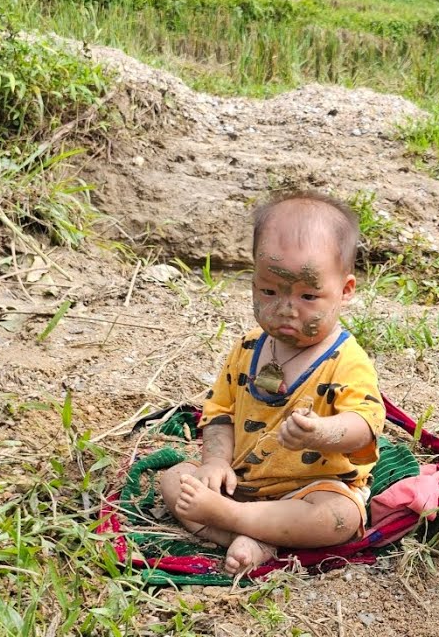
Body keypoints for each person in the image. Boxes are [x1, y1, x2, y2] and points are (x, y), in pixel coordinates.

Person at [159, 190, 385, 576]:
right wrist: (215, 462)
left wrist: (322, 432)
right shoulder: (248, 347)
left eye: (308, 295)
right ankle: (252, 536)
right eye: (268, 291)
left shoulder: (347, 360)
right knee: (174, 480)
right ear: (253, 281)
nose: (285, 308)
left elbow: (365, 424)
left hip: (313, 488)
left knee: (340, 517)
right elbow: (220, 412)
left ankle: (229, 520)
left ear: (345, 290)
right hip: (243, 482)